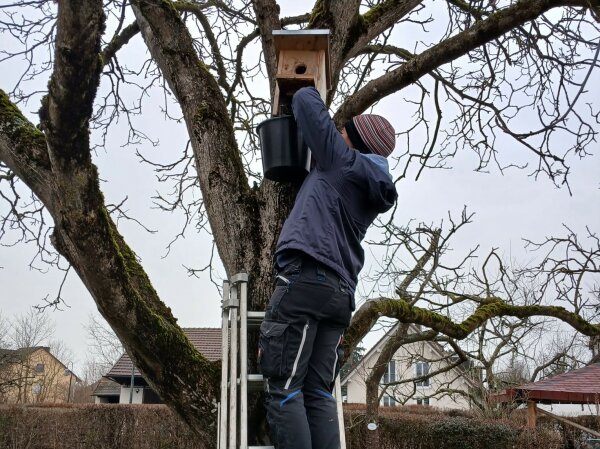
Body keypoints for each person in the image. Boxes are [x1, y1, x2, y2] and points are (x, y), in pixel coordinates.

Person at [259, 86, 397, 449]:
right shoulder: (371, 184)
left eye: (342, 133)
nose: (336, 135)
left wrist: (308, 83)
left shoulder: (342, 161)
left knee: (285, 389)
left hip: (306, 281)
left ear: (352, 141)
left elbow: (305, 101)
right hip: (339, 294)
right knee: (318, 391)